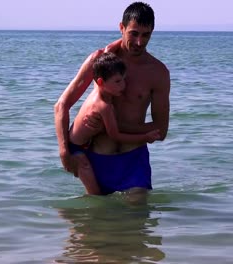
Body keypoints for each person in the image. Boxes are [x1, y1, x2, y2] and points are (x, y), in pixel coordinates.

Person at [55, 2, 170, 195]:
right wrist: (65, 152)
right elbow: (61, 105)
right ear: (121, 28)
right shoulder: (101, 61)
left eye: (146, 35)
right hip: (97, 157)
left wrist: (111, 127)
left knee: (137, 219)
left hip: (134, 160)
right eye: (134, 33)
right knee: (95, 221)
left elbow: (162, 130)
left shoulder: (158, 73)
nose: (139, 42)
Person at [68, 52, 161, 195]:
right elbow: (116, 135)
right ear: (100, 82)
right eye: (117, 81)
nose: (123, 86)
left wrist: (121, 41)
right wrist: (145, 138)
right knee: (95, 196)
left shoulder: (104, 95)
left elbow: (108, 49)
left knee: (100, 196)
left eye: (124, 80)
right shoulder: (103, 106)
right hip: (77, 149)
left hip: (84, 143)